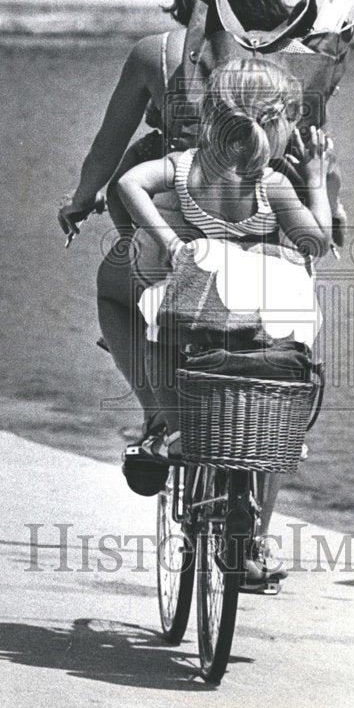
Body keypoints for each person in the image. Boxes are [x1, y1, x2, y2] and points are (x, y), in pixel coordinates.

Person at [57, 0, 344, 440]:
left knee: (114, 294)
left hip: (182, 222)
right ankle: (262, 480)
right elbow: (315, 157)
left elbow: (106, 148)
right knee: (277, 374)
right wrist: (332, 210)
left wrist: (80, 201)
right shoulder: (301, 60)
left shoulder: (158, 52)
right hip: (273, 230)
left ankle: (160, 413)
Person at [118, 57, 332, 584]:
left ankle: (171, 424)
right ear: (277, 124)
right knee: (291, 369)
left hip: (195, 302)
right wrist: (319, 181)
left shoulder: (185, 168)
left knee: (156, 329)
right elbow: (317, 242)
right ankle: (256, 531)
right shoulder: (273, 184)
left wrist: (169, 240)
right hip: (257, 312)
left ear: (212, 114)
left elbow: (127, 183)